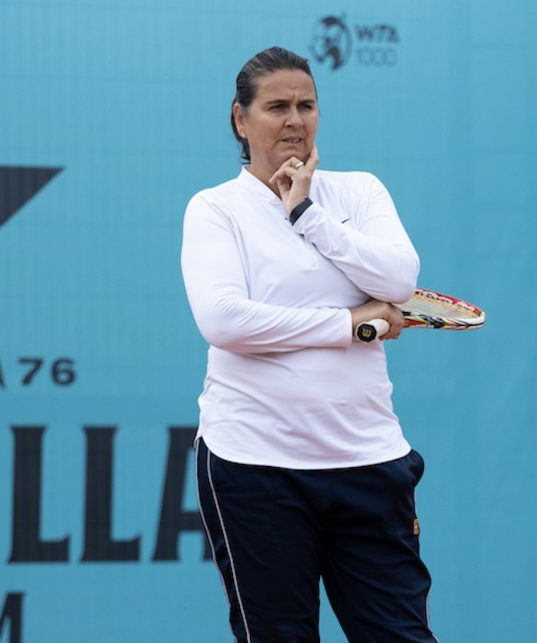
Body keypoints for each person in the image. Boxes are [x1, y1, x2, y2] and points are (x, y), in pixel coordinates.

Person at [180, 46, 438, 642]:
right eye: (277, 107)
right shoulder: (215, 209)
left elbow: (399, 280)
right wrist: (351, 325)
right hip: (254, 466)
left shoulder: (360, 193)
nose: (295, 120)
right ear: (241, 119)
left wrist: (307, 213)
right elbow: (225, 321)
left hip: (369, 460)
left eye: (306, 105)